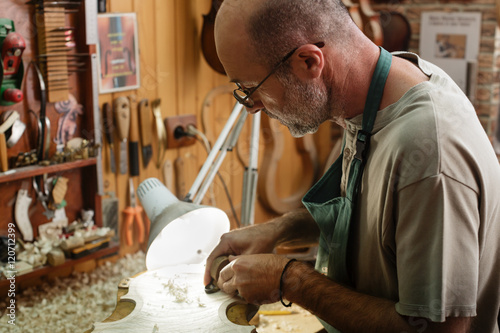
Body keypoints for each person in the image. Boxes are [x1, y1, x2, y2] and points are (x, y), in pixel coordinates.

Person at [203, 0, 500, 332]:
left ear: (308, 61)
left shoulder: (429, 152)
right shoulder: (371, 97)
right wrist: (278, 229)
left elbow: (437, 330)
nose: (252, 107)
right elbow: (373, 212)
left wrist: (289, 279)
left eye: (250, 88)